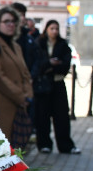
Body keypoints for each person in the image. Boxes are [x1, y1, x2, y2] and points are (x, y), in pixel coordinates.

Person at [0, 6, 34, 152]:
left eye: (13, 21)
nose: (11, 25)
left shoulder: (16, 46)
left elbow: (25, 73)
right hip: (4, 103)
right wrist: (20, 96)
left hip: (20, 103)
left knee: (16, 148)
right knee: (2, 148)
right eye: (6, 21)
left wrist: (28, 94)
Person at [33, 20, 80, 154]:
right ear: (46, 29)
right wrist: (49, 64)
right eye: (52, 28)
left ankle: (65, 145)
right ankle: (44, 144)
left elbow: (65, 66)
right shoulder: (39, 43)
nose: (54, 31)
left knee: (61, 115)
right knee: (42, 115)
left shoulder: (63, 45)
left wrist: (52, 66)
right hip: (43, 85)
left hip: (58, 83)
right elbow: (38, 65)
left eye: (56, 29)